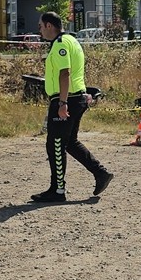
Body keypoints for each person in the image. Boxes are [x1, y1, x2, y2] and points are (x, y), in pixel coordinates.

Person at [32, 11, 113, 203]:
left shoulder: (60, 43)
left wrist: (62, 102)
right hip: (77, 98)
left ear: (49, 25)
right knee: (69, 142)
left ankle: (57, 190)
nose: (40, 31)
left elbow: (65, 73)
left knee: (55, 144)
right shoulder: (72, 40)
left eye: (40, 26)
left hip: (66, 99)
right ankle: (101, 173)